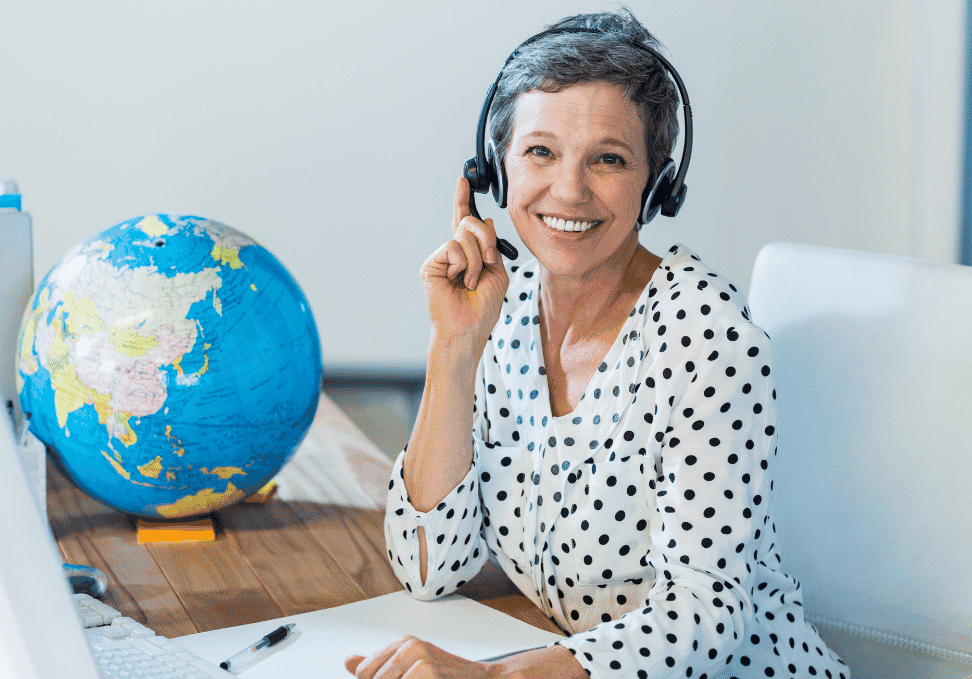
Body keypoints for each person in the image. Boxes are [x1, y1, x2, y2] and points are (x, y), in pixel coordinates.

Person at [345, 9, 848, 679]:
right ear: (494, 171)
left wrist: (497, 676)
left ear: (657, 182)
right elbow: (429, 566)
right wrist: (454, 345)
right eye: (540, 151)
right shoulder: (500, 306)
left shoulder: (710, 340)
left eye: (608, 158)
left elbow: (706, 615)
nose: (570, 189)